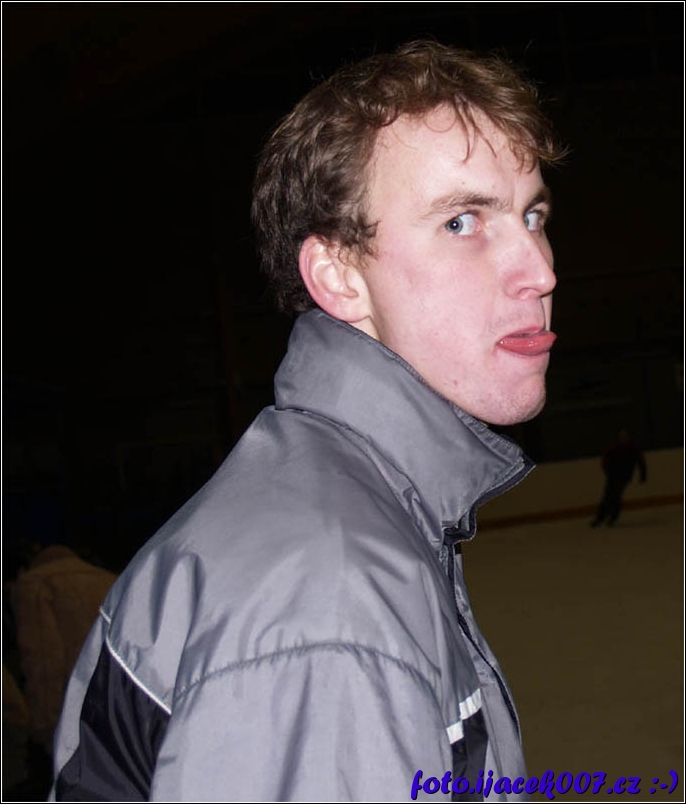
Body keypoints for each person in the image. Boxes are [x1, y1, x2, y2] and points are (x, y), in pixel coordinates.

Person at [51, 40, 565, 801]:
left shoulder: (345, 510)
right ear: (339, 277)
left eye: (533, 214)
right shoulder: (332, 599)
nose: (541, 270)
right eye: (463, 222)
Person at [591, 429, 647, 527]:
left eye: (625, 436)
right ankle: (600, 518)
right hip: (612, 476)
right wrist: (608, 471)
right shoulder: (614, 447)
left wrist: (643, 475)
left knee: (616, 496)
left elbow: (641, 462)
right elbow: (605, 460)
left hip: (624, 477)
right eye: (622, 437)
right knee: (607, 496)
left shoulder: (633, 448)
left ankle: (613, 517)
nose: (623, 438)